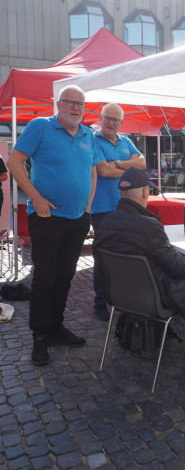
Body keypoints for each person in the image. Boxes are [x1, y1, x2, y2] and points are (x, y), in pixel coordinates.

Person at [7, 85, 99, 366]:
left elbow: (92, 170)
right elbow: (14, 162)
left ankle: (56, 328)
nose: (75, 108)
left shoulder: (88, 135)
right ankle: (39, 335)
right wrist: (36, 197)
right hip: (47, 218)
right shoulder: (40, 127)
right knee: (44, 278)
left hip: (77, 219)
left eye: (80, 104)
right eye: (70, 102)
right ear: (58, 104)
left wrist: (89, 204)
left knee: (65, 276)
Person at [93, 168, 185, 342]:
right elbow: (178, 269)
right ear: (146, 192)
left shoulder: (104, 224)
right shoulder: (149, 226)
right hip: (156, 297)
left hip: (119, 295)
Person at [91, 103, 146, 321]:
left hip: (128, 207)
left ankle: (122, 298)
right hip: (103, 208)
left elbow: (141, 163)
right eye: (108, 118)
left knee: (127, 254)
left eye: (116, 120)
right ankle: (100, 302)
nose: (111, 123)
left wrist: (118, 163)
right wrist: (128, 168)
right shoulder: (93, 140)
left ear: (121, 123)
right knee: (104, 256)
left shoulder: (126, 140)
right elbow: (102, 170)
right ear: (101, 118)